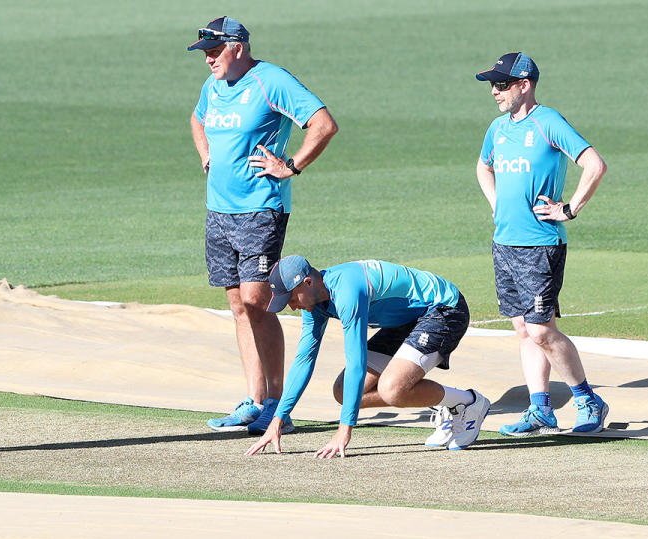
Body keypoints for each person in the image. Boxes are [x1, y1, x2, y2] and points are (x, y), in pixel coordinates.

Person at [188, 16, 338, 435]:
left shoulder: (270, 80)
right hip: (218, 210)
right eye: (205, 53)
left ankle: (278, 406)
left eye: (214, 51)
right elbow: (197, 119)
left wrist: (290, 166)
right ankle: (254, 402)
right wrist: (206, 156)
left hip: (260, 210)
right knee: (238, 305)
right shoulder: (214, 86)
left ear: (238, 47)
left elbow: (323, 124)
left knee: (258, 302)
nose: (208, 60)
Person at [474, 52, 609, 436]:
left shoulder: (548, 121)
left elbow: (594, 164)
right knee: (521, 328)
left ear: (524, 85)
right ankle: (540, 410)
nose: (494, 92)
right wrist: (498, 203)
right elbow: (484, 165)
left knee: (540, 331)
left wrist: (570, 209)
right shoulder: (498, 129)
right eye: (492, 85)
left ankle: (588, 400)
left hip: (540, 245)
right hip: (504, 244)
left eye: (501, 85)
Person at [245, 255, 491, 458]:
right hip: (406, 320)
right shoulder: (314, 303)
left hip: (444, 310)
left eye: (290, 298)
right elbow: (304, 360)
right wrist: (277, 420)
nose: (291, 306)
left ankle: (468, 402)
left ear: (307, 282)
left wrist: (344, 430)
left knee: (392, 389)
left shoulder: (349, 290)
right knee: (343, 392)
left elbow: (356, 364)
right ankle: (446, 403)